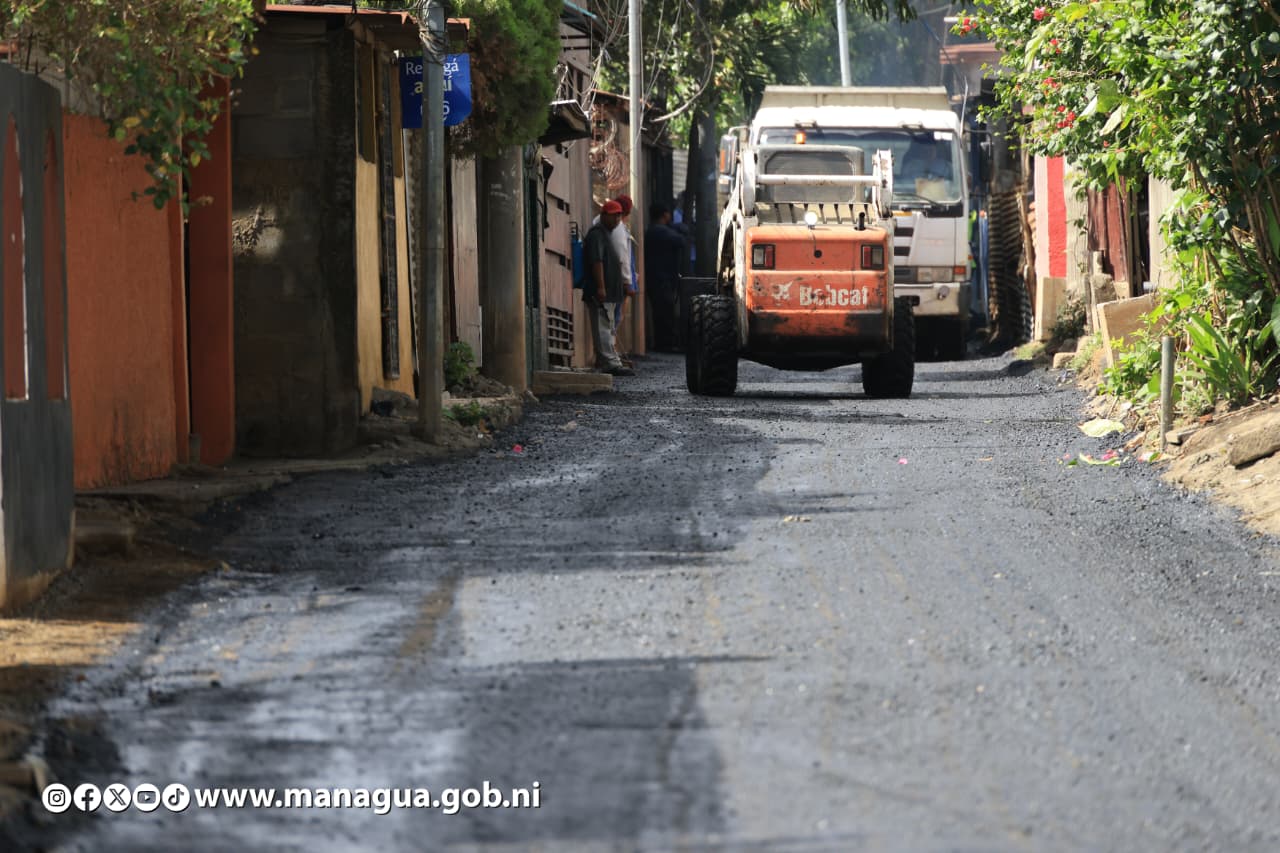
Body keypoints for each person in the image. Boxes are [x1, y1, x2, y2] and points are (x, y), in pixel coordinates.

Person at [584, 200, 634, 376]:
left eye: (619, 216)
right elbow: (596, 261)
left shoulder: (607, 234)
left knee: (607, 326)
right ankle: (609, 362)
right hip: (601, 292)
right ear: (604, 216)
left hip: (610, 292)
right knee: (603, 327)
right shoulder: (597, 235)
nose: (617, 220)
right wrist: (601, 287)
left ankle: (609, 360)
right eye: (613, 216)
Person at [645, 203, 687, 352]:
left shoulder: (654, 231)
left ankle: (664, 343)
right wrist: (679, 229)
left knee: (662, 311)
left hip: (658, 277)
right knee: (665, 312)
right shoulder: (660, 231)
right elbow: (680, 241)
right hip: (661, 279)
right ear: (664, 215)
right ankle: (666, 344)